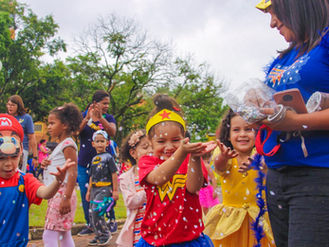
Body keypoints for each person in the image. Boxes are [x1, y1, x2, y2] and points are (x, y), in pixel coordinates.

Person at [254, 0, 329, 246]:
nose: (272, 23)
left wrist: (297, 121)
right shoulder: (286, 56)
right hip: (277, 175)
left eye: (276, 12)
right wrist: (255, 107)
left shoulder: (326, 43)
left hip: (318, 174)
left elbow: (293, 119)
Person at [136, 94, 216, 247]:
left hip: (188, 239)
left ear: (184, 138)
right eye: (161, 141)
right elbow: (159, 178)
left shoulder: (191, 160)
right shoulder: (147, 162)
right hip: (155, 240)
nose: (169, 147)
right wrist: (181, 151)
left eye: (175, 140)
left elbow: (193, 188)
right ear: (150, 142)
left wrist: (194, 157)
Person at [0, 113, 75, 247]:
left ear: (21, 151)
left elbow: (45, 193)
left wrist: (58, 181)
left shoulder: (24, 180)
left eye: (14, 157)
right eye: (2, 158)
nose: (8, 164)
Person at [204, 109, 275, 247]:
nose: (242, 134)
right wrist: (223, 157)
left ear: (258, 132)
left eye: (248, 129)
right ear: (228, 136)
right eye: (236, 130)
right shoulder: (227, 154)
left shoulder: (262, 153)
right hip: (230, 221)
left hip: (260, 218)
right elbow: (219, 166)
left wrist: (259, 163)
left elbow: (266, 164)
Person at [41, 103, 82, 247]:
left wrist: (67, 197)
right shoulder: (62, 144)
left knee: (49, 234)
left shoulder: (68, 145)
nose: (49, 127)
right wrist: (48, 163)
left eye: (52, 123)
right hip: (59, 193)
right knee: (64, 234)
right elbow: (61, 166)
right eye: (48, 123)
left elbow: (72, 171)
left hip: (63, 193)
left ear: (64, 125)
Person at [77, 90, 117, 236]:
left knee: (105, 192)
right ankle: (91, 224)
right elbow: (75, 132)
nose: (106, 106)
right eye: (104, 103)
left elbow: (112, 132)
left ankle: (110, 221)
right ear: (95, 103)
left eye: (108, 103)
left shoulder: (109, 117)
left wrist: (101, 119)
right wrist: (87, 117)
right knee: (86, 194)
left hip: (104, 163)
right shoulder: (83, 116)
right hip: (84, 163)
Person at [116, 129, 152, 247]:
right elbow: (130, 201)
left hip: (158, 223)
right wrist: (149, 189)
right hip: (139, 226)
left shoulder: (160, 172)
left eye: (153, 146)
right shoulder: (126, 178)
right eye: (145, 147)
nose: (150, 151)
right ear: (133, 153)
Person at [85, 130, 118, 246]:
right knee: (91, 213)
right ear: (93, 144)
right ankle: (98, 234)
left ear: (107, 143)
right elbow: (91, 176)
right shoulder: (94, 159)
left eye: (102, 141)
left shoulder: (109, 157)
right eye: (97, 141)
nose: (99, 144)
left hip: (105, 188)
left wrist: (115, 191)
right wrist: (88, 191)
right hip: (94, 189)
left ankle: (105, 234)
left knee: (97, 211)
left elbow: (114, 174)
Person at [6, 95, 38, 173]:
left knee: (18, 173)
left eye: (13, 105)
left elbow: (32, 138)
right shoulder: (5, 118)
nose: (10, 107)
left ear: (18, 106)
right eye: (8, 105)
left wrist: (35, 156)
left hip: (21, 150)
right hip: (5, 149)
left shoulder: (26, 118)